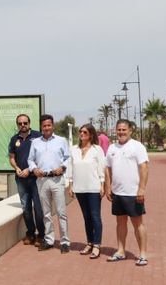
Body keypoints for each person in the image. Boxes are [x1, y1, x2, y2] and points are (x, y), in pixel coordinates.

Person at [105, 119, 149, 266]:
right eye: (119, 130)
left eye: (124, 130)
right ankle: (121, 251)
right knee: (120, 222)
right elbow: (108, 168)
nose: (121, 132)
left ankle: (142, 254)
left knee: (138, 224)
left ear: (130, 130)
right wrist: (108, 186)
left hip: (133, 193)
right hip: (118, 193)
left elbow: (144, 168)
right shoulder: (112, 148)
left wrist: (141, 189)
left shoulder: (137, 146)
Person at [27, 114, 71, 253]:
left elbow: (68, 157)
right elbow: (30, 160)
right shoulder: (35, 142)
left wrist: (63, 167)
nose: (46, 128)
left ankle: (65, 241)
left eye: (49, 125)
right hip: (42, 180)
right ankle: (49, 239)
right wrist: (34, 169)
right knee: (46, 213)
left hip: (57, 179)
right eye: (44, 125)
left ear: (53, 126)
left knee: (61, 212)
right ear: (41, 127)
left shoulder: (61, 140)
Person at [66, 124, 105, 259]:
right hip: (80, 188)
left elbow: (101, 168)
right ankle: (89, 242)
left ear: (91, 135)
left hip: (94, 188)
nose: (81, 134)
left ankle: (97, 245)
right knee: (86, 217)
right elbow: (70, 168)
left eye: (85, 132)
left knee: (95, 217)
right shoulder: (74, 150)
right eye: (80, 132)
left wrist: (102, 184)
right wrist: (70, 185)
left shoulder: (97, 149)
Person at [8, 114, 44, 246]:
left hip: (35, 179)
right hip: (21, 179)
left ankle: (41, 235)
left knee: (39, 209)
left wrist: (30, 169)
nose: (22, 125)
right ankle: (30, 233)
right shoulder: (14, 139)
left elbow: (41, 157)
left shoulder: (38, 136)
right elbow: (12, 157)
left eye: (25, 123)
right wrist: (16, 168)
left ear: (29, 123)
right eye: (20, 123)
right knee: (26, 208)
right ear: (17, 124)